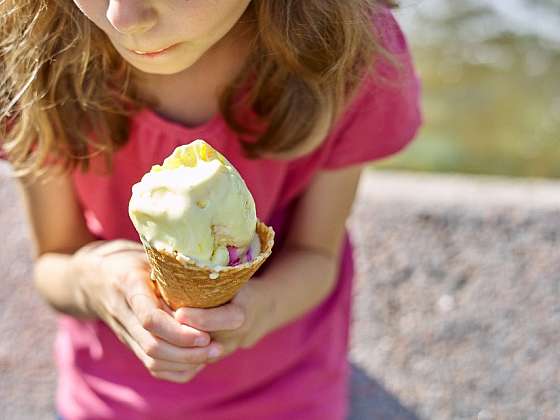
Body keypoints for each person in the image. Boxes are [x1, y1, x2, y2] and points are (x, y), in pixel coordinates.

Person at [0, 0, 421, 419]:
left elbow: (316, 255)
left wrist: (259, 308)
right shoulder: (33, 50)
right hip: (108, 400)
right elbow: (54, 261)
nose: (122, 18)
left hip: (286, 394)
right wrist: (93, 281)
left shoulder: (349, 53)